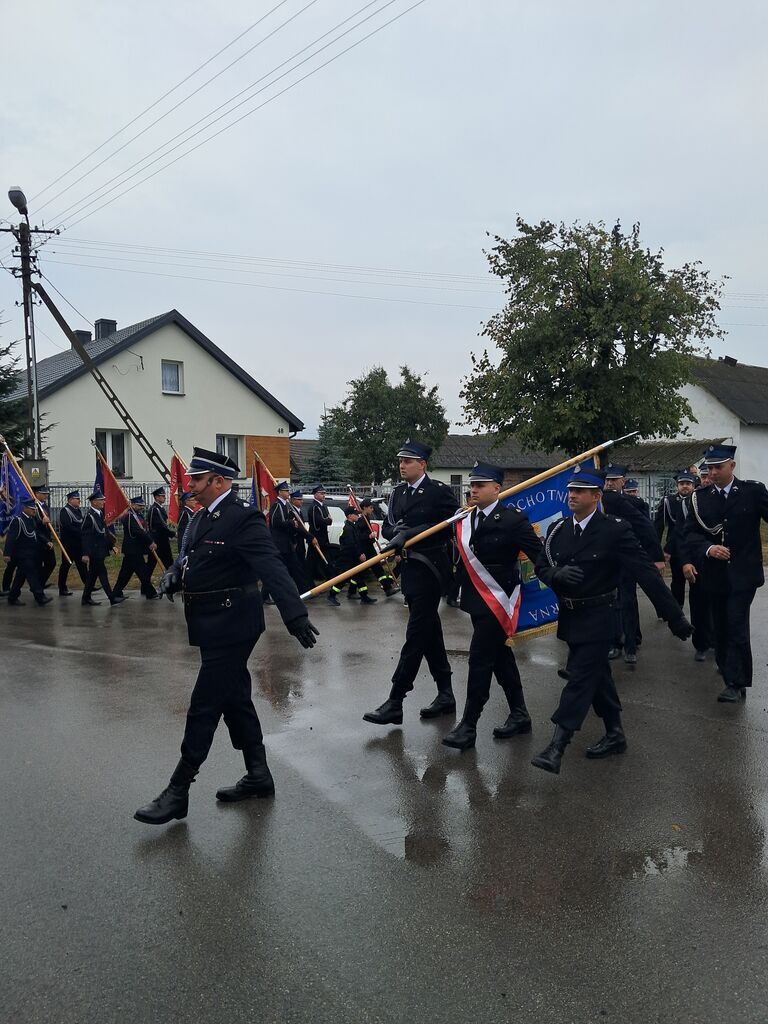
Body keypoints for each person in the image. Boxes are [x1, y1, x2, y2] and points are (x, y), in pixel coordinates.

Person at [134, 447, 319, 826]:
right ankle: (258, 775)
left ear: (218, 481)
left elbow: (272, 565)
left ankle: (178, 790)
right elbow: (190, 557)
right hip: (209, 623)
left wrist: (295, 616)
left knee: (205, 704)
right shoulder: (203, 518)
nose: (191, 487)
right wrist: (173, 573)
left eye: (197, 481)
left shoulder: (243, 518)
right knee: (235, 699)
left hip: (234, 624)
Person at [532, 467, 691, 775]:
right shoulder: (559, 530)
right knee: (598, 678)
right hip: (572, 617)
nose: (572, 496)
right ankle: (615, 733)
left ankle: (557, 746)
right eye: (570, 491)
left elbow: (646, 573)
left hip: (601, 617)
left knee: (579, 678)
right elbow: (542, 565)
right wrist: (555, 575)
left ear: (596, 496)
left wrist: (675, 617)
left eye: (580, 491)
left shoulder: (614, 529)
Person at [442, 462, 542, 751]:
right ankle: (520, 714)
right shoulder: (466, 518)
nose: (473, 489)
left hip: (500, 599)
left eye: (480, 485)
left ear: (497, 488)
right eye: (472, 485)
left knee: (480, 659)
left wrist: (557, 577)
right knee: (500, 657)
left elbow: (537, 554)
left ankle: (469, 725)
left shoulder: (512, 519)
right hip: (476, 597)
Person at [364, 439, 459, 725]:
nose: (402, 465)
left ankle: (396, 699)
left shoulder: (439, 492)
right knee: (430, 632)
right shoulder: (397, 493)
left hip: (431, 569)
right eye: (401, 461)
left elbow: (453, 523)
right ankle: (446, 694)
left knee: (416, 634)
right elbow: (391, 525)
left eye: (408, 461)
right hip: (410, 570)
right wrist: (400, 532)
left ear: (423, 464)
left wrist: (414, 531)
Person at [681, 444, 768, 703]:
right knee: (720, 627)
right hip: (714, 575)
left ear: (732, 465)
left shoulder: (752, 492)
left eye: (719, 467)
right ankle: (728, 670)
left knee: (736, 624)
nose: (713, 472)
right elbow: (689, 534)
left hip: (743, 574)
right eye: (710, 467)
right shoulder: (701, 497)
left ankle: (736, 682)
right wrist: (708, 549)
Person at [4, 497, 52, 606]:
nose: (34, 511)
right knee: (32, 574)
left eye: (34, 509)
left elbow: (37, 533)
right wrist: (7, 554)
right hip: (22, 554)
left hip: (31, 553)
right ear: (24, 508)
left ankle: (12, 597)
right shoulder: (18, 520)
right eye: (32, 509)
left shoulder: (31, 519)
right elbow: (11, 538)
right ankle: (40, 597)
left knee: (20, 576)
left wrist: (46, 541)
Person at [81, 490, 124, 606]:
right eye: (101, 500)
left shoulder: (99, 514)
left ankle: (85, 598)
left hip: (100, 550)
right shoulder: (89, 516)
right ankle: (112, 598)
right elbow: (85, 536)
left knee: (92, 576)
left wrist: (112, 546)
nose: (104, 502)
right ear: (94, 502)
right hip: (94, 551)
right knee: (102, 574)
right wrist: (85, 553)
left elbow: (104, 533)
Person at [327, 507, 378, 606]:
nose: (358, 515)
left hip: (353, 558)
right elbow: (351, 544)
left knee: (359, 576)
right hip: (347, 558)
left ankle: (364, 596)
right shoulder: (348, 528)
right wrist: (359, 554)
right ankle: (332, 595)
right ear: (350, 516)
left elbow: (357, 542)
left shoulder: (352, 526)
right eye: (355, 514)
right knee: (343, 579)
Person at [112, 495, 159, 600]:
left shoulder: (138, 515)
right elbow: (137, 531)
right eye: (139, 505)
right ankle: (150, 592)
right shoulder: (130, 516)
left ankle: (116, 593)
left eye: (142, 505)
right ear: (132, 505)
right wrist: (150, 541)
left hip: (135, 549)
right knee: (142, 572)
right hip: (133, 549)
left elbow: (144, 529)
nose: (141, 507)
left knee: (126, 573)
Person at [268, 481, 306, 591]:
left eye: (288, 490)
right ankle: (265, 595)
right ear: (279, 492)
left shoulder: (286, 506)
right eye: (286, 491)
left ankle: (303, 591)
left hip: (287, 543)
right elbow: (275, 523)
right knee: (277, 570)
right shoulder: (276, 506)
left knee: (295, 568)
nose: (288, 492)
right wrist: (290, 522)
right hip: (279, 543)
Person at [359, 495, 397, 597]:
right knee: (360, 572)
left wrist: (371, 537)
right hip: (364, 549)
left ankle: (387, 588)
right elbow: (359, 536)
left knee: (377, 568)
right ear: (365, 507)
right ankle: (351, 591)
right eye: (370, 507)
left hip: (369, 548)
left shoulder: (366, 518)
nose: (372, 510)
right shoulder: (362, 520)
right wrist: (369, 536)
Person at [57, 490, 88, 596]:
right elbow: (68, 526)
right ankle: (62, 588)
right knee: (65, 566)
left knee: (82, 565)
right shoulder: (64, 511)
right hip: (68, 544)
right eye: (77, 499)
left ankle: (88, 585)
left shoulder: (78, 511)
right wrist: (81, 532)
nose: (79, 501)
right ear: (70, 500)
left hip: (78, 544)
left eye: (79, 499)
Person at [32, 485, 57, 589]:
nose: (46, 495)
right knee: (37, 565)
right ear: (37, 494)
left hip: (47, 539)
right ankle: (37, 586)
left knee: (51, 563)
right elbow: (33, 526)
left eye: (47, 494)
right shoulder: (33, 506)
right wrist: (42, 522)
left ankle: (40, 582)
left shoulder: (45, 506)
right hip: (38, 541)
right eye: (44, 494)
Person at [307, 485, 334, 579]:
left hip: (323, 539)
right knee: (312, 562)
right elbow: (319, 522)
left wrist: (327, 520)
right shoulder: (314, 507)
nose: (323, 495)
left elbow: (330, 521)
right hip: (316, 538)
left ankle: (330, 579)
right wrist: (327, 520)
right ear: (315, 495)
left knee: (324, 561)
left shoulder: (323, 506)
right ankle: (308, 582)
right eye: (321, 493)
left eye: (324, 493)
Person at [148, 486, 175, 569]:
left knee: (168, 562)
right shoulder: (155, 509)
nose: (165, 497)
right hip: (158, 540)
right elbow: (160, 526)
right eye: (162, 496)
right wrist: (172, 534)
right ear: (156, 497)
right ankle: (146, 581)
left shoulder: (160, 508)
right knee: (152, 563)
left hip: (162, 539)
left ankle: (172, 580)